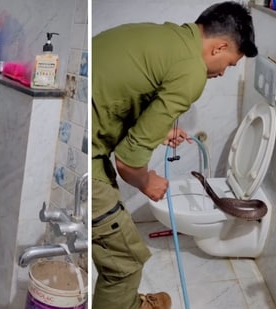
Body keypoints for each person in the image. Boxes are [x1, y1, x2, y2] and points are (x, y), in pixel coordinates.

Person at [91, 2, 259, 308]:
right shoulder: (192, 72)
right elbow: (128, 163)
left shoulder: (170, 37)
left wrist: (161, 130)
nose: (223, 73)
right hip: (88, 158)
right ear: (219, 47)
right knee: (124, 263)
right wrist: (147, 183)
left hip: (84, 141)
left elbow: (125, 90)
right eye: (229, 64)